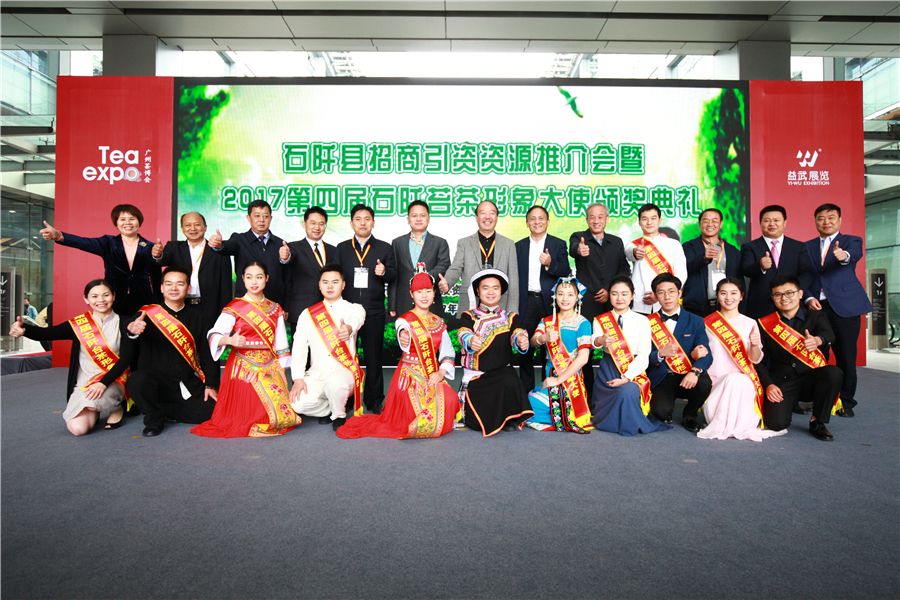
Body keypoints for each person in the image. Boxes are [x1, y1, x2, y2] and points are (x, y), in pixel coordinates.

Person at [338, 264, 458, 439]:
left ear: (434, 293)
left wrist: (441, 372)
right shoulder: (404, 320)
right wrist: (404, 337)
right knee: (412, 413)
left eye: (428, 291)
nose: (424, 296)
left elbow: (448, 353)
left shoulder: (439, 323)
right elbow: (403, 334)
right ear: (411, 294)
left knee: (450, 399)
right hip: (409, 379)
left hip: (431, 374)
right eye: (419, 292)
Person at [191, 261, 300, 438]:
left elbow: (281, 344)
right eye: (249, 277)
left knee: (280, 417)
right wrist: (230, 340)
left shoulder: (275, 309)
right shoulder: (234, 307)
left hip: (269, 365)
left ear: (266, 278)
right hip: (242, 365)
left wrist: (281, 374)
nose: (254, 281)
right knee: (246, 413)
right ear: (242, 279)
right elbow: (213, 334)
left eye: (259, 277)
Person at [8, 279, 129, 435]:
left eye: (106, 295)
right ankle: (95, 408)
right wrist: (24, 329)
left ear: (113, 296)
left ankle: (117, 408)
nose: (101, 300)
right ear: (86, 299)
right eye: (94, 296)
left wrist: (103, 383)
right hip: (85, 382)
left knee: (93, 401)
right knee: (77, 429)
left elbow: (126, 359)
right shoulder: (79, 325)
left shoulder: (125, 323)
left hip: (114, 380)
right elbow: (48, 333)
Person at [119, 267, 220, 437]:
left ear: (188, 288)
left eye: (180, 284)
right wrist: (131, 331)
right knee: (137, 380)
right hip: (152, 380)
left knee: (211, 411)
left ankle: (161, 409)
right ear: (161, 288)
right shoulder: (146, 314)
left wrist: (211, 385)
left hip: (184, 381)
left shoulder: (199, 318)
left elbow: (207, 354)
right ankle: (153, 420)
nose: (174, 288)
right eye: (169, 284)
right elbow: (128, 338)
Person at [804, 203, 872, 418]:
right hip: (817, 308)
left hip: (846, 307)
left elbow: (854, 255)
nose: (826, 222)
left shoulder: (852, 241)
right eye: (821, 218)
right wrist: (809, 297)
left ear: (839, 220)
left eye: (831, 217)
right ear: (815, 221)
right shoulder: (806, 246)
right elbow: (803, 276)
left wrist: (844, 255)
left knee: (846, 356)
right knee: (817, 356)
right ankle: (819, 399)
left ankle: (846, 402)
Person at [756, 274, 843, 442]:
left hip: (810, 379)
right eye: (778, 294)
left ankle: (817, 421)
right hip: (782, 382)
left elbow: (829, 335)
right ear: (772, 298)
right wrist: (769, 385)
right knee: (776, 424)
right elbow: (759, 361)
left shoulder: (815, 316)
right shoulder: (764, 324)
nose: (784, 298)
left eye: (789, 293)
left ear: (800, 294)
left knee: (833, 373)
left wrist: (818, 340)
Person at [699, 278, 786, 442]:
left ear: (741, 296)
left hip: (744, 379)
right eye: (723, 293)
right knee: (729, 386)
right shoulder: (707, 323)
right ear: (717, 296)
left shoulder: (750, 323)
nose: (728, 298)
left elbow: (755, 359)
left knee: (736, 379)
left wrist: (754, 345)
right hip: (715, 379)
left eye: (734, 293)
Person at [39, 204, 161, 315]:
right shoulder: (108, 243)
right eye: (122, 219)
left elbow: (157, 278)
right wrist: (59, 236)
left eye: (132, 219)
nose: (127, 223)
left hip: (144, 300)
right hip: (113, 299)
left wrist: (159, 303)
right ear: (116, 223)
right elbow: (83, 242)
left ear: (139, 221)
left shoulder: (151, 247)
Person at [334, 204, 397, 414]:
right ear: (351, 223)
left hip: (374, 310)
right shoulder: (342, 248)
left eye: (367, 219)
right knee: (346, 357)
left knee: (373, 358)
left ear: (373, 223)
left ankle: (374, 399)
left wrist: (384, 271)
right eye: (358, 219)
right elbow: (334, 277)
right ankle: (346, 398)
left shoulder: (384, 248)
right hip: (347, 312)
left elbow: (393, 275)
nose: (363, 223)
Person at [590, 276, 671, 436]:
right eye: (614, 294)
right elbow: (594, 342)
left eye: (624, 294)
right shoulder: (601, 320)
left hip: (633, 369)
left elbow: (644, 355)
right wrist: (600, 340)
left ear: (632, 296)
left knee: (626, 391)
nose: (619, 298)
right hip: (608, 369)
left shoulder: (642, 321)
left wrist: (626, 377)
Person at [457, 267, 533, 436]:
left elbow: (518, 331)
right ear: (478, 291)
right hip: (477, 379)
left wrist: (521, 339)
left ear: (501, 291)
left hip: (502, 377)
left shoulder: (510, 316)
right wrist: (470, 340)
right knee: (475, 424)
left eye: (495, 288)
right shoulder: (469, 316)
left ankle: (508, 417)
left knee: (510, 379)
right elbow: (463, 332)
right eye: (485, 288)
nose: (490, 292)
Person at [289, 264, 366, 431]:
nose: (330, 286)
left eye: (335, 282)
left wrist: (349, 328)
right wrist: (298, 379)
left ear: (343, 285)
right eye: (325, 282)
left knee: (335, 381)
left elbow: (357, 318)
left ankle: (339, 415)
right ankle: (332, 407)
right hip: (318, 374)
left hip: (345, 373)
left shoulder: (353, 308)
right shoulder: (308, 314)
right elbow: (299, 348)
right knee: (296, 403)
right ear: (319, 285)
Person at [568, 203, 631, 402]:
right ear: (587, 219)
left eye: (600, 217)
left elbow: (624, 269)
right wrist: (579, 250)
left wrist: (611, 289)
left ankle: (614, 393)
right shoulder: (579, 237)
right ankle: (586, 397)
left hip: (613, 306)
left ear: (607, 219)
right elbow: (573, 249)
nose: (596, 221)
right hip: (587, 305)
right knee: (585, 348)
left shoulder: (616, 242)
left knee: (615, 348)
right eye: (592, 217)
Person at [645, 273, 713, 432]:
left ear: (679, 293)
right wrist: (660, 354)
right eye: (661, 292)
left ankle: (690, 415)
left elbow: (706, 354)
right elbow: (642, 356)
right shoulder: (647, 322)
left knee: (704, 383)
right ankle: (666, 410)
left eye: (671, 291)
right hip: (662, 376)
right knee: (659, 413)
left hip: (688, 374)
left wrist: (695, 371)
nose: (667, 297)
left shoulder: (696, 321)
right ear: (656, 296)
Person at [525, 277, 592, 433]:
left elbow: (583, 359)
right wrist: (543, 338)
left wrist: (557, 380)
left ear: (578, 297)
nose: (565, 298)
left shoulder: (583, 323)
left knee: (529, 406)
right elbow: (533, 342)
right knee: (524, 403)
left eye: (570, 294)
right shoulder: (547, 321)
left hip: (572, 380)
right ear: (555, 296)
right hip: (550, 374)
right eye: (560, 294)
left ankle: (562, 415)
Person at [515, 204, 571, 391]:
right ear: (527, 223)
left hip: (550, 303)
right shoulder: (519, 246)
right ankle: (527, 394)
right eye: (532, 218)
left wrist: (550, 263)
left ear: (547, 222)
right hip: (526, 302)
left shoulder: (558, 244)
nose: (537, 222)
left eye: (541, 218)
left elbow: (566, 271)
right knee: (526, 348)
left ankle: (548, 391)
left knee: (550, 348)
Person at [151, 212, 233, 329]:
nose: (193, 228)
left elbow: (225, 286)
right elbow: (162, 260)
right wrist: (158, 255)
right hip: (180, 306)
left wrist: (225, 314)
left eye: (197, 224)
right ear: (182, 228)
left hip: (209, 309)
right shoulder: (174, 247)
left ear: (205, 227)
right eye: (188, 225)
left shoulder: (218, 250)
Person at [440, 200, 519, 316]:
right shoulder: (464, 243)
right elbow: (456, 268)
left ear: (497, 217)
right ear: (476, 217)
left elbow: (513, 280)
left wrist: (512, 313)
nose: (487, 217)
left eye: (492, 213)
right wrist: (447, 282)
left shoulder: (508, 244)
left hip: (500, 304)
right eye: (483, 213)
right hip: (470, 304)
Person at [208, 200, 290, 309]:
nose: (261, 220)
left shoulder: (280, 244)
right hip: (245, 306)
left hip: (273, 305)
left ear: (271, 218)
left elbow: (288, 278)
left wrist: (286, 307)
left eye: (266, 216)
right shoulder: (239, 240)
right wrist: (219, 245)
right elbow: (227, 247)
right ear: (248, 218)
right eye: (257, 216)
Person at [740, 205, 814, 319]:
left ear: (784, 222)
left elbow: (807, 273)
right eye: (767, 220)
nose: (772, 224)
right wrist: (760, 266)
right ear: (760, 223)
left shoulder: (798, 246)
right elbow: (745, 269)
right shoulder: (750, 246)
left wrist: (792, 291)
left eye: (776, 220)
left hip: (791, 305)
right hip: (761, 305)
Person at [279, 206, 338, 332]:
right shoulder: (293, 248)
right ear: (304, 224)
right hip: (301, 310)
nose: (317, 227)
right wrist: (285, 257)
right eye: (313, 223)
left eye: (321, 224)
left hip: (329, 312)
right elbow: (288, 259)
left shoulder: (333, 250)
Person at [388, 200, 451, 318]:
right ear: (408, 219)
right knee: (405, 330)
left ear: (428, 218)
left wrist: (425, 277)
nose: (418, 219)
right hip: (403, 302)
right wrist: (392, 304)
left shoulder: (439, 243)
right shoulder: (397, 243)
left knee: (432, 330)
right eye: (414, 216)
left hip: (430, 301)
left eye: (422, 215)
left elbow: (444, 266)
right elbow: (394, 275)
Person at [623, 203, 687, 316]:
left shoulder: (674, 244)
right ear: (639, 222)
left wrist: (661, 293)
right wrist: (636, 252)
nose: (649, 222)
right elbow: (629, 252)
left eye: (653, 218)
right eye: (645, 219)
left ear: (660, 220)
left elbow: (681, 272)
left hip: (667, 301)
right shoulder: (633, 245)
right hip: (640, 302)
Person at [681, 208, 742, 317]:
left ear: (721, 224)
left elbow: (739, 280)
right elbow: (686, 268)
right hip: (697, 308)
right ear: (700, 225)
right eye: (706, 221)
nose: (710, 224)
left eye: (714, 221)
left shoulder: (732, 251)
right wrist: (703, 258)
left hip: (726, 306)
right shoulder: (689, 247)